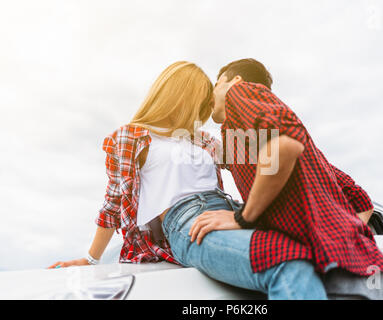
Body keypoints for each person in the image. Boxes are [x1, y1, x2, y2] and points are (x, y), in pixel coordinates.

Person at [48, 61, 328, 300]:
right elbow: (113, 202)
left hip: (229, 213)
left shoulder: (205, 141)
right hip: (188, 224)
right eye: (205, 98)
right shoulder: (131, 137)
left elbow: (263, 156)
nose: (209, 106)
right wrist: (92, 260)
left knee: (308, 252)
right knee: (283, 260)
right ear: (182, 94)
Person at [188, 58, 383, 300]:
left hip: (339, 276)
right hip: (365, 274)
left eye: (216, 84)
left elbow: (283, 145)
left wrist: (244, 217)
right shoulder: (303, 154)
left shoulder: (240, 92)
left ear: (234, 80)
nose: (211, 94)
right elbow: (361, 200)